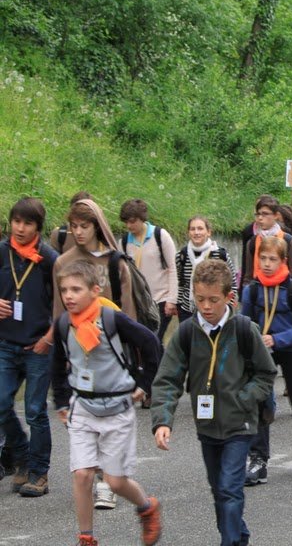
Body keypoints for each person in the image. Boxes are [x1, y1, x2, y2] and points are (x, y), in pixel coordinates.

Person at [152, 259, 276, 546]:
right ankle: (239, 536)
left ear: (228, 297)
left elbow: (266, 373)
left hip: (240, 423)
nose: (205, 306)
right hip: (206, 424)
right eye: (199, 299)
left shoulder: (244, 329)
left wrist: (244, 399)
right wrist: (162, 421)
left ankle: (229, 542)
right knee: (218, 490)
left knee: (230, 489)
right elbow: (167, 378)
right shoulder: (186, 332)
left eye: (213, 300)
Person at [51, 260, 162, 546]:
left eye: (76, 289)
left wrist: (144, 384)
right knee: (82, 475)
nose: (69, 296)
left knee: (114, 482)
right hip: (83, 407)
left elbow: (151, 344)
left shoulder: (112, 319)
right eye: (64, 290)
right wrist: (62, 400)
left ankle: (146, 507)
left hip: (117, 408)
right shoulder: (64, 323)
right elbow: (58, 363)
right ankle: (86, 537)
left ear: (95, 290)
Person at [53, 198, 137, 510]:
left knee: (111, 415)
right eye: (73, 226)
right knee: (88, 415)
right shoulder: (64, 262)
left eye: (84, 226)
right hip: (79, 349)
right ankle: (95, 477)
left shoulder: (114, 261)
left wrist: (133, 358)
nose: (77, 232)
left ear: (97, 226)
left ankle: (109, 482)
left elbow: (128, 309)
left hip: (112, 345)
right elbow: (59, 309)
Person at [241, 236, 292, 485]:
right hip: (261, 349)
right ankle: (258, 457)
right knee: (259, 401)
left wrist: (277, 339)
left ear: (283, 261)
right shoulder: (251, 290)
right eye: (262, 258)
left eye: (272, 259)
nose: (266, 264)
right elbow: (244, 323)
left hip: (291, 347)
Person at [0, 198, 58, 498]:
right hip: (5, 343)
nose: (20, 229)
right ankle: (19, 456)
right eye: (16, 221)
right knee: (0, 403)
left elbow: (63, 306)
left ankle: (38, 472)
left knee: (35, 411)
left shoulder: (50, 259)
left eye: (28, 223)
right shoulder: (2, 251)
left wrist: (48, 338)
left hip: (38, 346)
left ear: (38, 227)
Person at [119, 199, 179, 342]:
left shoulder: (160, 235)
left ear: (142, 218)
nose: (129, 225)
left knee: (154, 339)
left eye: (132, 221)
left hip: (160, 300)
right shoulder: (124, 241)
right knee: (145, 342)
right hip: (138, 301)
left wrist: (171, 300)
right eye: (126, 222)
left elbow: (173, 267)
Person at [176, 216, 237, 323]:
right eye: (192, 229)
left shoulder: (220, 254)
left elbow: (232, 283)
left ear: (208, 232)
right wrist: (179, 305)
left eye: (200, 228)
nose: (196, 232)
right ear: (188, 232)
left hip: (216, 311)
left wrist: (228, 306)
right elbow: (180, 283)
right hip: (187, 311)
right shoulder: (181, 255)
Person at [241, 195, 292, 287]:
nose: (260, 218)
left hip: (282, 293)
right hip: (259, 294)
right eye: (258, 214)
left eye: (265, 214)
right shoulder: (252, 242)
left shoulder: (287, 240)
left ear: (276, 215)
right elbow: (247, 277)